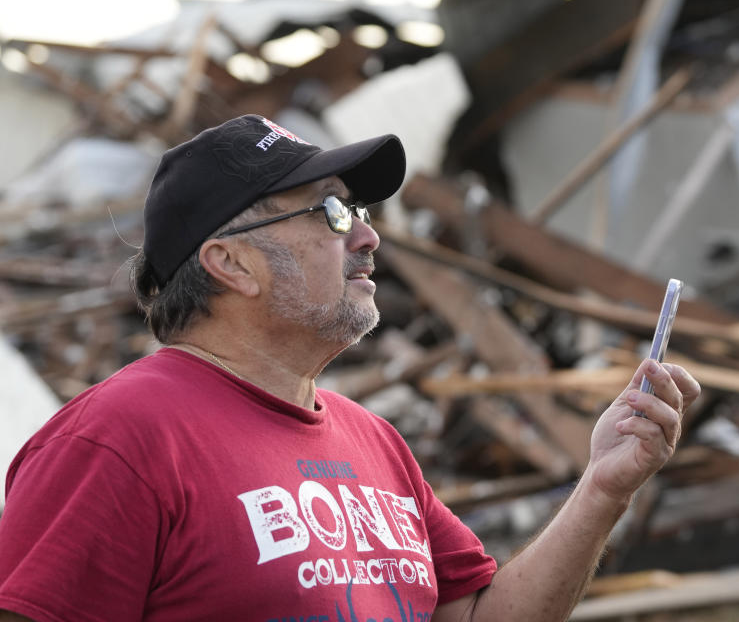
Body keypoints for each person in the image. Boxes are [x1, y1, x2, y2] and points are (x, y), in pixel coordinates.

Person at [0, 114, 700, 622]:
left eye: (359, 208)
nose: (368, 235)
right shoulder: (119, 440)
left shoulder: (374, 443)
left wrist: (604, 486)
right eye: (331, 210)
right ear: (231, 262)